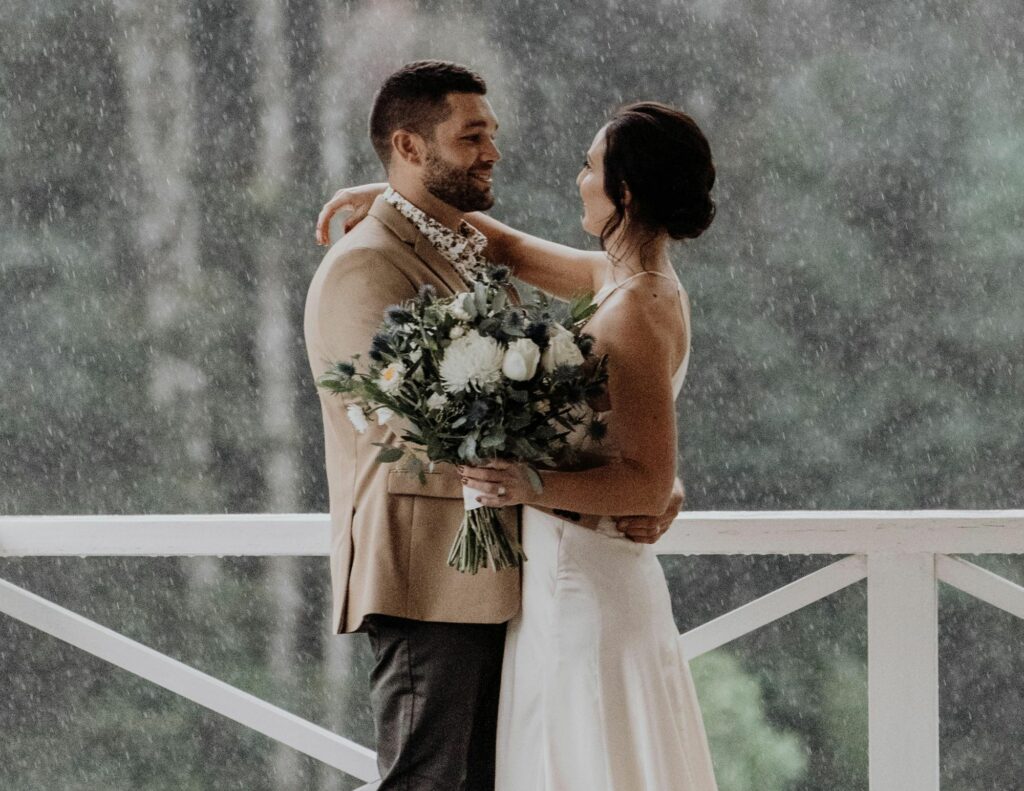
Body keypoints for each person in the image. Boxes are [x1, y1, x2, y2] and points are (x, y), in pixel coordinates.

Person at [307, 61, 683, 791]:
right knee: (424, 780)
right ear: (410, 147)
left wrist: (643, 478)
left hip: (510, 570)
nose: (493, 151)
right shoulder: (363, 266)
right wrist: (625, 481)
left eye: (491, 134)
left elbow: (587, 375)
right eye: (472, 136)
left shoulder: (468, 248)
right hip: (427, 572)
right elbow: (410, 429)